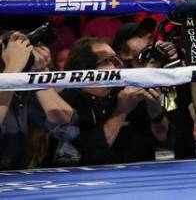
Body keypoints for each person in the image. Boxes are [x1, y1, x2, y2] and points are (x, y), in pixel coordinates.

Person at [113, 21, 196, 160]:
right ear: (124, 54)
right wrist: (151, 68)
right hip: (139, 167)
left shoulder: (174, 72)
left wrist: (191, 67)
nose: (149, 38)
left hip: (183, 161)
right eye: (139, 35)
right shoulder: (118, 84)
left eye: (150, 36)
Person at [58, 37, 168, 164]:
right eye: (108, 60)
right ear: (86, 69)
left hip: (140, 174)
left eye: (116, 58)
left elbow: (164, 138)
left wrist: (155, 111)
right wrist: (121, 111)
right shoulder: (67, 102)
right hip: (92, 178)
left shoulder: (129, 91)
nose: (119, 65)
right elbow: (88, 156)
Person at [0, 31, 75, 170]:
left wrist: (38, 73)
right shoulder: (13, 74)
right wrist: (13, 67)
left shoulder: (23, 86)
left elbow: (67, 125)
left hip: (21, 175)